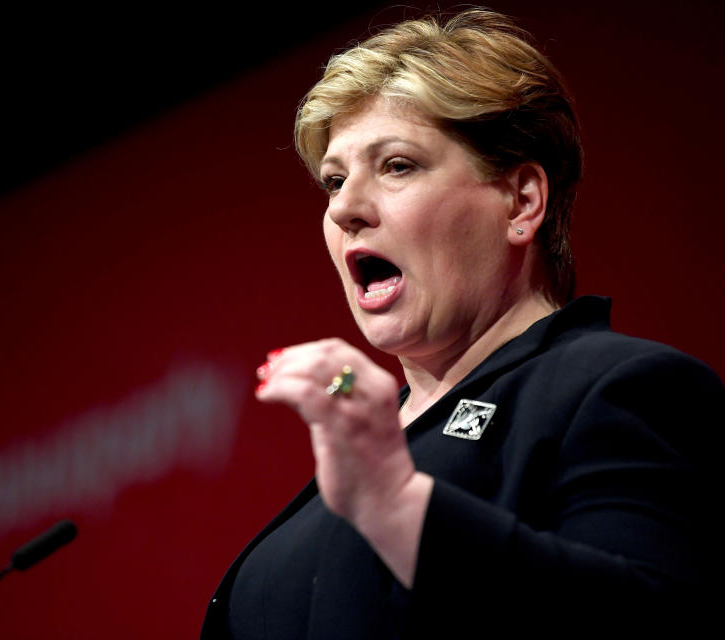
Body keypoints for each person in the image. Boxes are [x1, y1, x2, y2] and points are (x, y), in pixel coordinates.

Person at [200, 8, 723, 638]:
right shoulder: (359, 459)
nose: (344, 209)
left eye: (396, 166)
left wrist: (397, 507)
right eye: (334, 181)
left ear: (520, 201)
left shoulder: (620, 390)